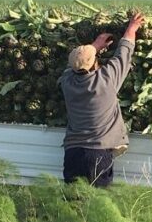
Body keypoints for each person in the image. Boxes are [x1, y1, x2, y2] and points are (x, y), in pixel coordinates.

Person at [59, 11, 145, 186]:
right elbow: (124, 54)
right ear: (94, 63)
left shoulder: (66, 82)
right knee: (98, 203)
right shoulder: (105, 80)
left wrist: (92, 49)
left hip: (72, 153)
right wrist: (132, 28)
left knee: (73, 203)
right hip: (97, 153)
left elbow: (77, 64)